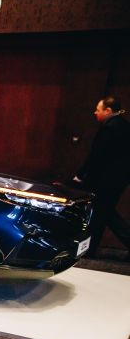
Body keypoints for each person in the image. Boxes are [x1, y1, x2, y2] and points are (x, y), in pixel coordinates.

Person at [72, 96, 130, 258]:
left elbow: (97, 156)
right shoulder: (124, 126)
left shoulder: (110, 128)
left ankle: (88, 250)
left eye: (98, 110)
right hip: (118, 180)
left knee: (100, 214)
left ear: (108, 110)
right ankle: (88, 249)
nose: (95, 112)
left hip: (106, 180)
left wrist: (81, 176)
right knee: (105, 213)